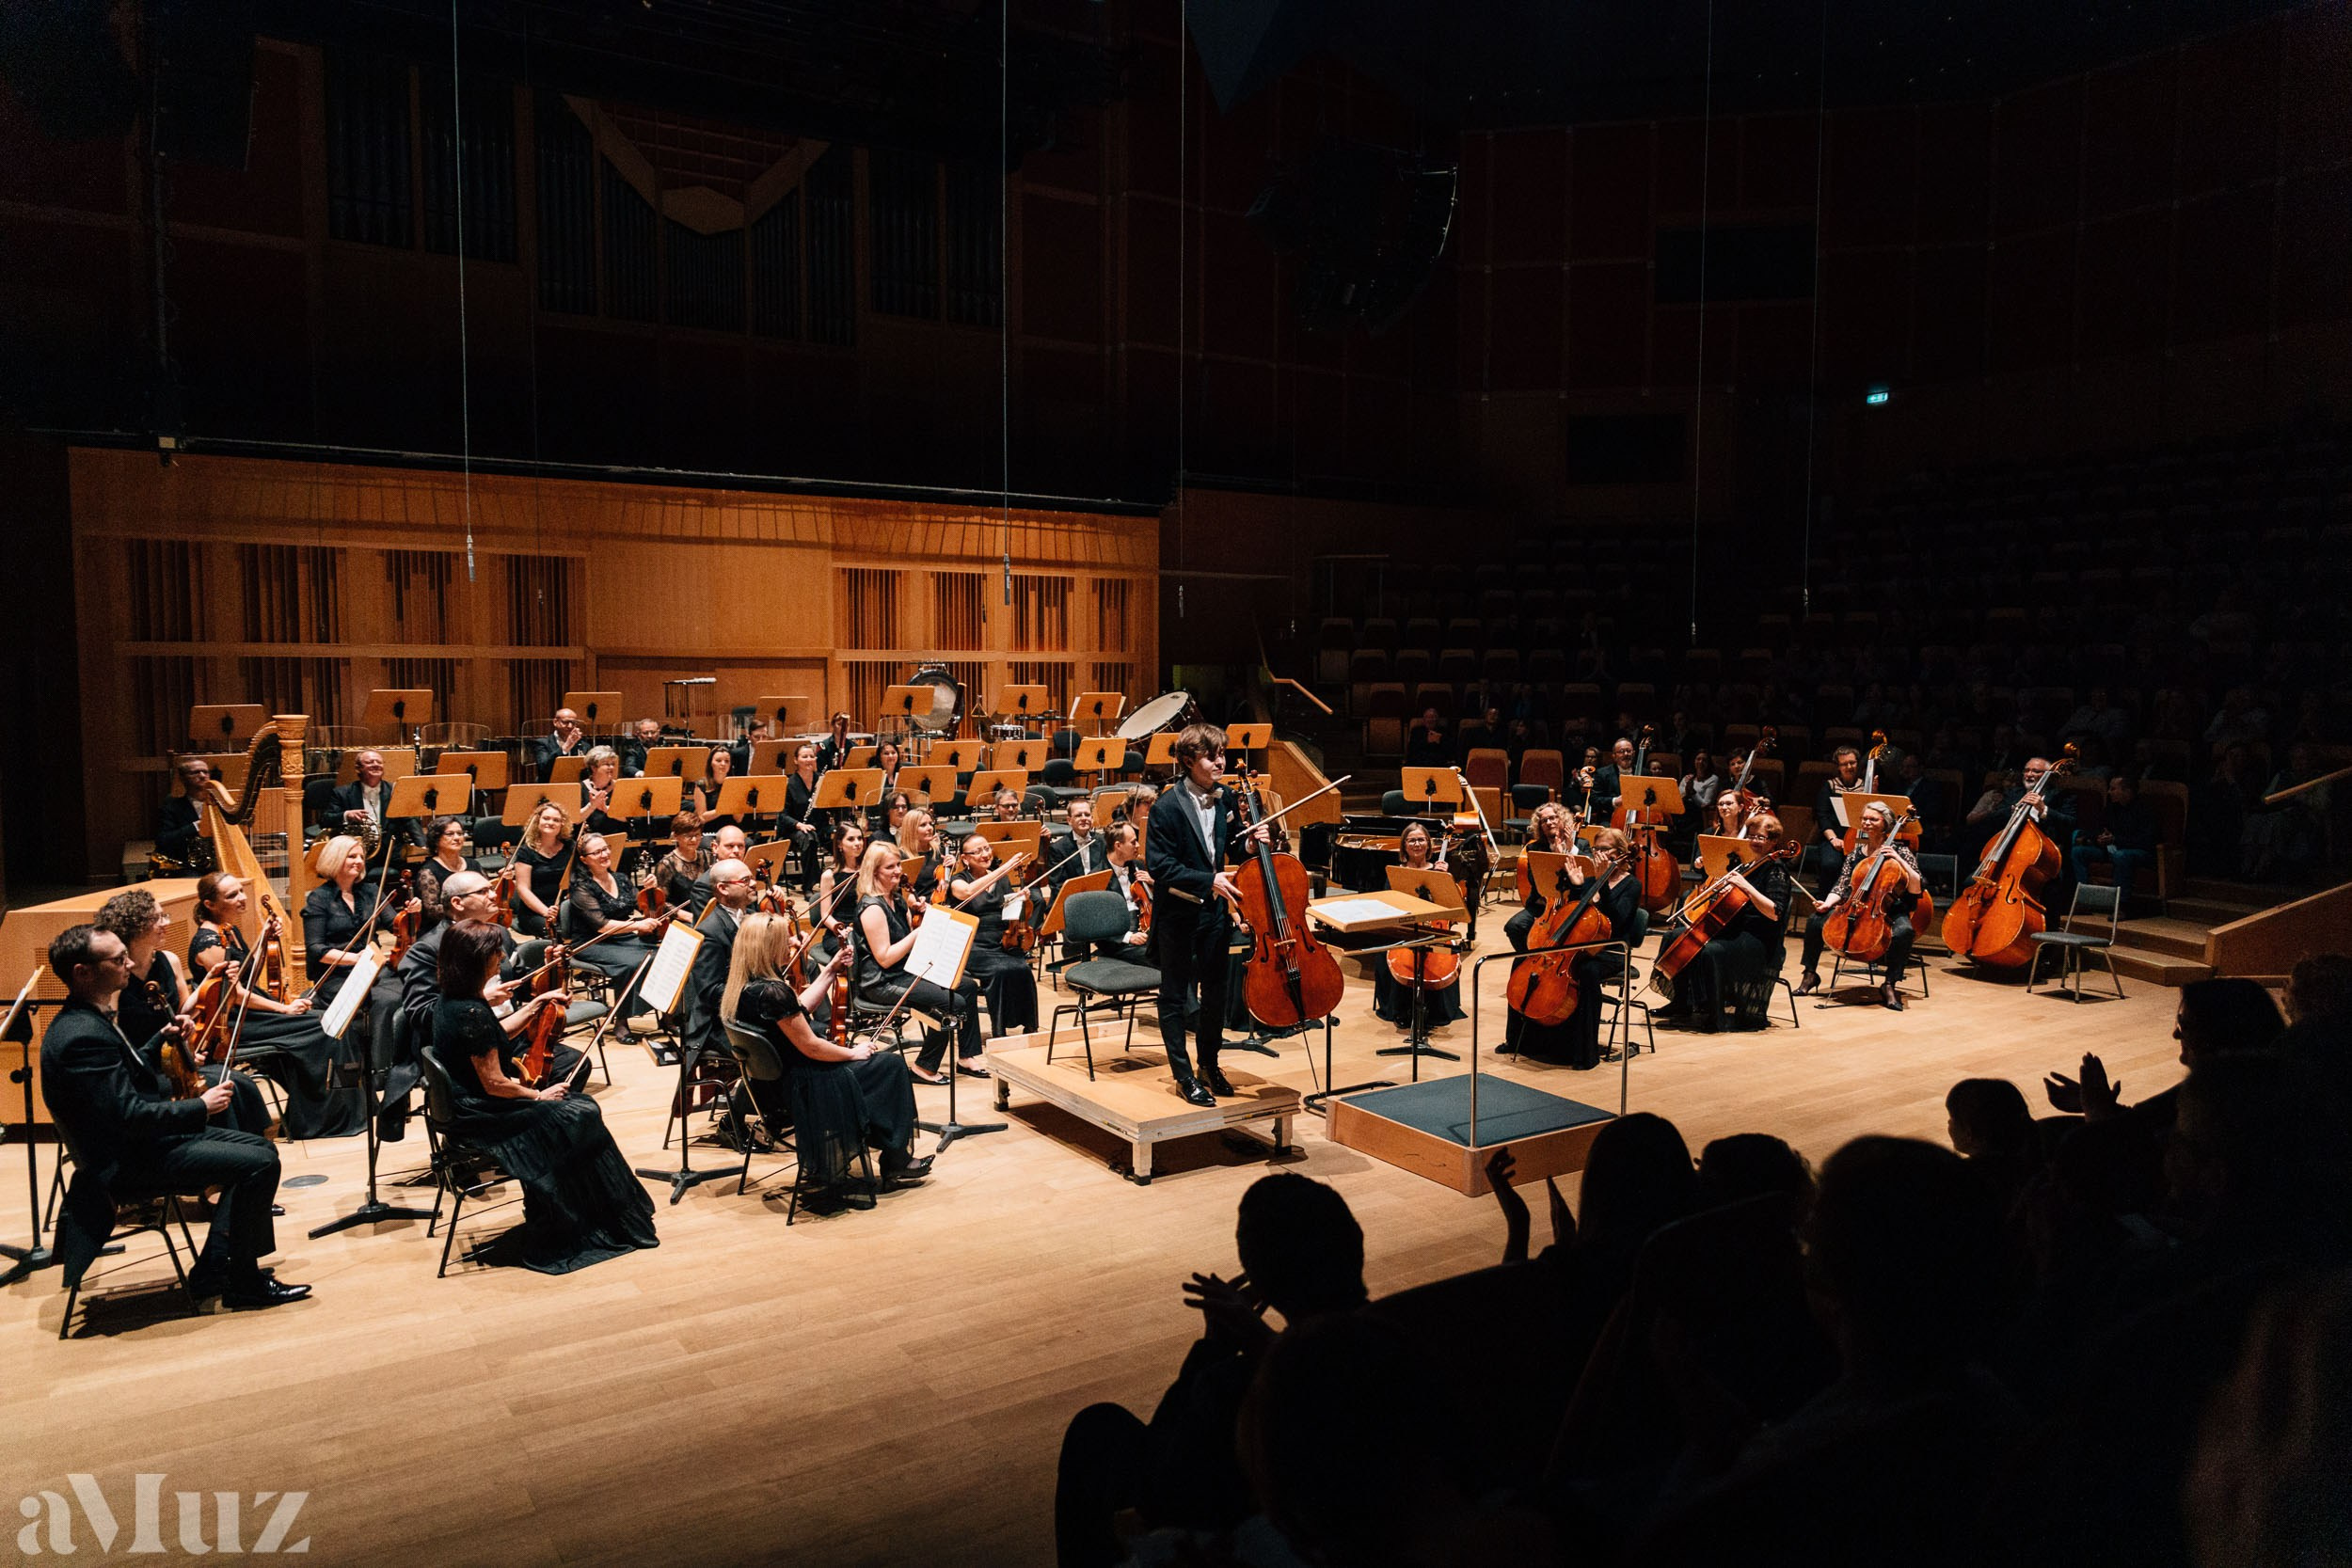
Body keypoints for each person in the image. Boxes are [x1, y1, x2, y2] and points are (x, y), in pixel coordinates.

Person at [1054, 1174, 1368, 1568]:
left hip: (1282, 1534)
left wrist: (1214, 1348)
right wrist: (1264, 1341)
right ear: (1354, 1245)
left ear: (1262, 1281)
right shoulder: (1407, 1336)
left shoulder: (1239, 1386)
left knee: (1097, 1429)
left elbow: (1160, 1492)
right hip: (1368, 1522)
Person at [42, 924, 308, 1310]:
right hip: (125, 1164)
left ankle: (217, 1266)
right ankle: (242, 1281)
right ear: (83, 972)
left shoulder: (88, 1018)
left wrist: (161, 1040)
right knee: (259, 1163)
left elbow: (127, 1076)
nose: (129, 963)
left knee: (259, 1151)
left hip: (137, 1147)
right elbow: (129, 1115)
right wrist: (201, 1106)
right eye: (117, 959)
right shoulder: (81, 1036)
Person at [429, 920, 658, 1274]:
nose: (502, 956)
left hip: (469, 1104)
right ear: (476, 960)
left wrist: (537, 1003)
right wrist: (538, 1096)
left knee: (579, 1110)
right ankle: (590, 1218)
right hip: (484, 1114)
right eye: (495, 952)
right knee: (580, 1114)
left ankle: (594, 1211)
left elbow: (497, 1035)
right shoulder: (470, 1012)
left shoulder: (454, 1000)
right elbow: (495, 1083)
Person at [721, 911, 930, 1206]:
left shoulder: (745, 987)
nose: (792, 944)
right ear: (768, 948)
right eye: (785, 940)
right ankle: (895, 1158)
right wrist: (852, 1053)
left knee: (877, 1068)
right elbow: (812, 1047)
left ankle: (889, 1147)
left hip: (773, 1088)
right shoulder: (774, 991)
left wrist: (830, 970)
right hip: (806, 1086)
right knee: (890, 1066)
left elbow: (798, 1010)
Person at [1145, 724, 1273, 1106]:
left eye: (1221, 754)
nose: (1220, 762)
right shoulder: (1166, 807)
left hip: (1215, 914)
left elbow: (1230, 845)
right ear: (1188, 761)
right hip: (1178, 917)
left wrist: (1250, 843)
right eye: (1211, 756)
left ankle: (1209, 1064)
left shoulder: (1228, 798)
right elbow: (1160, 867)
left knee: (1215, 993)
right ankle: (1184, 1077)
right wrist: (1208, 879)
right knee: (1174, 997)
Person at [189, 872, 366, 1139]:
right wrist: (283, 1008)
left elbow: (250, 969)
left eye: (240, 891)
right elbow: (234, 995)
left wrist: (265, 938)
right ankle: (325, 1119)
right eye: (232, 895)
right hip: (238, 1021)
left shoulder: (229, 930)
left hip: (253, 1010)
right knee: (326, 1029)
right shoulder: (207, 943)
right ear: (210, 904)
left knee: (337, 1023)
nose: (242, 898)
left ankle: (352, 1107)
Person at [97, 889, 272, 1137]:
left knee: (239, 1082)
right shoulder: (118, 974)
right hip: (143, 1066)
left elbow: (181, 1010)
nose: (166, 923)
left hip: (174, 1059)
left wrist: (210, 981)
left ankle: (249, 1145)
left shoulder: (169, 960)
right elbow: (114, 1034)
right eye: (158, 919)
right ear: (135, 927)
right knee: (216, 1086)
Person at [852, 842, 985, 1085]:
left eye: (898, 864)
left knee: (966, 985)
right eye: (890, 867)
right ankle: (924, 1067)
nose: (897, 871)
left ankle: (967, 1056)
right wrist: (918, 933)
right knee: (951, 1001)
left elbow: (906, 938)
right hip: (881, 982)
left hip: (904, 971)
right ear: (874, 872)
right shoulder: (872, 908)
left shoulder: (898, 899)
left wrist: (920, 917)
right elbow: (884, 957)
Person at [1502, 828, 1637, 1068]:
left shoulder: (1631, 885)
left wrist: (1602, 882)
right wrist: (1577, 886)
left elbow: (1615, 923)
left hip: (1612, 951)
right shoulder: (1590, 879)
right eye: (1596, 849)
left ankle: (1583, 1052)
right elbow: (1575, 912)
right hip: (1578, 948)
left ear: (1620, 853)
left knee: (1587, 972)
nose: (1598, 854)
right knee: (1522, 961)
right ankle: (1518, 1040)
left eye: (1604, 850)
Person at [1661, 813, 1794, 1033]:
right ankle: (1681, 1003)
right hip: (1733, 928)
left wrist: (1746, 887)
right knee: (1675, 936)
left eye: (1761, 837)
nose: (1755, 841)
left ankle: (1715, 1015)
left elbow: (1775, 913)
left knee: (1709, 951)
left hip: (1758, 937)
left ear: (1773, 842)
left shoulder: (1776, 870)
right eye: (1751, 836)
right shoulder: (1746, 865)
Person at [1797, 800, 1925, 1010]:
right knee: (1815, 921)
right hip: (1855, 905)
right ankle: (1810, 974)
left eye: (1873, 819)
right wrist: (1827, 903)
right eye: (1864, 818)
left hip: (1887, 909)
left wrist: (1899, 861)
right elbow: (1842, 885)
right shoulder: (1856, 853)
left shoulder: (1900, 851)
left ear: (1886, 824)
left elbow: (1916, 887)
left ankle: (1890, 984)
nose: (1866, 822)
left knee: (1904, 932)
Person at [1372, 821, 1468, 1031]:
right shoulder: (1396, 873)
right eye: (1412, 840)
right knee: (1385, 953)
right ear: (1404, 846)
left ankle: (1437, 1010)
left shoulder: (1440, 871)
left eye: (1421, 839)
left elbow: (1453, 906)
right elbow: (1387, 906)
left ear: (1429, 844)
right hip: (1404, 929)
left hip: (1434, 929)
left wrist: (1445, 879)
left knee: (1444, 951)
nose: (1417, 844)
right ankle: (1400, 1008)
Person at [300, 834, 416, 1006]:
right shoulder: (319, 898)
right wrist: (355, 959)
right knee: (385, 1000)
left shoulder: (371, 891)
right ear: (334, 859)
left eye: (361, 857)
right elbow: (316, 949)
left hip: (372, 969)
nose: (359, 861)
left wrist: (411, 913)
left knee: (410, 990)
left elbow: (396, 926)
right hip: (336, 973)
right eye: (352, 856)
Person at [949, 833, 1041, 1041]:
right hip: (973, 944)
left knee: (1023, 969)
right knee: (1000, 971)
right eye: (978, 851)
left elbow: (1009, 912)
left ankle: (1030, 1027)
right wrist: (1005, 868)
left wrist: (1021, 900)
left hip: (1001, 941)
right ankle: (999, 1031)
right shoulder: (959, 880)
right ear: (965, 858)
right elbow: (967, 893)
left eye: (987, 848)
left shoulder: (1002, 879)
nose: (985, 854)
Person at [565, 833, 664, 1022]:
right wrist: (637, 925)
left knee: (661, 956)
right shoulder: (581, 888)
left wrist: (650, 890)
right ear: (584, 860)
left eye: (605, 849)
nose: (604, 854)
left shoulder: (620, 878)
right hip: (591, 943)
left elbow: (640, 904)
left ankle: (667, 1015)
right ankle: (622, 1021)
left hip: (621, 938)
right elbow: (601, 926)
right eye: (596, 852)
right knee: (633, 964)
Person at [2071, 771, 2158, 898]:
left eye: (2113, 789)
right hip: (2111, 850)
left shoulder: (2145, 810)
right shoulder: (2112, 808)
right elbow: (2097, 828)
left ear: (2127, 791)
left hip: (2138, 852)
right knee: (2078, 852)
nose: (2109, 792)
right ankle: (2083, 899)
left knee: (2121, 856)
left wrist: (2116, 839)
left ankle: (2121, 904)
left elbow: (2146, 840)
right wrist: (2099, 839)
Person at [505, 800, 574, 938]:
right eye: (546, 818)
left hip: (564, 907)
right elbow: (523, 889)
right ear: (537, 821)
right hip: (534, 911)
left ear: (562, 824)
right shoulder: (526, 851)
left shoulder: (569, 846)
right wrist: (545, 911)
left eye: (556, 820)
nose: (550, 822)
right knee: (557, 932)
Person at [331, 748, 417, 849]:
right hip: (359, 851)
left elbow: (410, 821)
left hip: (391, 852)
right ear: (358, 768)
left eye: (379, 762)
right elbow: (326, 819)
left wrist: (424, 846)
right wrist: (347, 815)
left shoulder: (395, 791)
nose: (376, 765)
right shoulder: (342, 793)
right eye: (370, 762)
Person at [811, 817, 868, 961]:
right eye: (851, 839)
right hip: (839, 934)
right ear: (839, 844)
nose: (857, 843)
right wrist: (840, 930)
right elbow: (825, 915)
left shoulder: (868, 871)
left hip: (866, 930)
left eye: (859, 838)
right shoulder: (829, 876)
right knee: (857, 952)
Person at [1812, 745, 1865, 893]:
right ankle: (1825, 902)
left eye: (1852, 763)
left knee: (1862, 866)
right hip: (1835, 837)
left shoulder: (1866, 786)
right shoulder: (1829, 786)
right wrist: (1833, 839)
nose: (1849, 767)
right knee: (1830, 864)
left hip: (1859, 839)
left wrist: (1874, 792)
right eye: (1844, 764)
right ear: (1838, 767)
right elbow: (1822, 815)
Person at [413, 816, 475, 931]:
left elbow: (489, 892)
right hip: (443, 930)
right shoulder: (428, 872)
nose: (457, 838)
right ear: (436, 839)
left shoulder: (473, 864)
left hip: (474, 924)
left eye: (460, 833)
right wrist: (469, 906)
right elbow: (432, 911)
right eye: (450, 834)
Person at [779, 742, 825, 890]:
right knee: (808, 838)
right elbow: (782, 815)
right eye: (804, 756)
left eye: (812, 756)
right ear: (795, 760)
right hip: (793, 829)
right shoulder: (789, 783)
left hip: (818, 825)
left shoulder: (821, 780)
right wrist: (799, 825)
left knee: (843, 835)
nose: (808, 760)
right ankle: (809, 885)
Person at [154, 755, 212, 869]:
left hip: (216, 862)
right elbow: (163, 840)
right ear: (182, 778)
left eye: (205, 772)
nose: (202, 776)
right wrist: (196, 826)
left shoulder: (219, 804)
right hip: (187, 865)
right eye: (195, 773)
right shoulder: (171, 806)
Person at [681, 823, 750, 915]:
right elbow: (706, 924)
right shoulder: (703, 886)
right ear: (715, 847)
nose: (736, 851)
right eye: (730, 846)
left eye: (741, 846)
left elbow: (752, 910)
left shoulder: (748, 878)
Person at [647, 811, 710, 910]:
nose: (693, 840)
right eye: (688, 836)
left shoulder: (708, 857)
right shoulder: (666, 865)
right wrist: (687, 917)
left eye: (697, 835)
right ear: (676, 836)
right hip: (682, 918)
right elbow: (662, 902)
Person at [689, 744, 737, 834]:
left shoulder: (734, 785)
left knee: (748, 842)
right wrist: (722, 809)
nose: (723, 764)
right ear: (711, 763)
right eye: (718, 761)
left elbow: (738, 819)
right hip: (709, 832)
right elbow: (702, 818)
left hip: (731, 831)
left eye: (727, 761)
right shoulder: (701, 785)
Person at [532, 707, 588, 783]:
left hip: (576, 787)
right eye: (566, 722)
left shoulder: (584, 745)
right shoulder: (542, 743)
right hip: (550, 786)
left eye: (573, 723)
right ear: (555, 722)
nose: (570, 726)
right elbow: (544, 767)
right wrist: (566, 747)